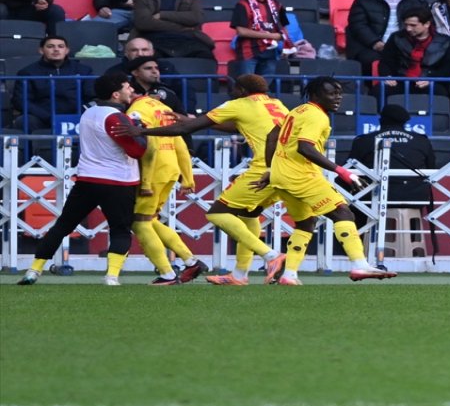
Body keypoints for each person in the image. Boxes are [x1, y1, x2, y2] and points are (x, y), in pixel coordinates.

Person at [111, 74, 288, 285]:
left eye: (233, 88)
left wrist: (141, 130)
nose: (229, 92)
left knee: (218, 213)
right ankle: (239, 275)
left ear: (241, 90)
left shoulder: (240, 103)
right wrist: (192, 121)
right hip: (287, 168)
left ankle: (271, 256)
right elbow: (237, 125)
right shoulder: (276, 104)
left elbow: (184, 130)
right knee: (249, 215)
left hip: (263, 168)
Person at [258, 77, 398, 284]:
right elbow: (304, 147)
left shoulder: (297, 111)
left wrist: (272, 169)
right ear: (315, 95)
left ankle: (289, 274)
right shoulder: (317, 116)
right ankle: (359, 265)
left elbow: (272, 136)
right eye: (331, 93)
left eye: (339, 93)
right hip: (300, 175)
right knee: (343, 212)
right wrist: (341, 171)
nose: (338, 97)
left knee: (306, 222)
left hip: (282, 175)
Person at [17, 73, 146, 286]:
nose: (131, 90)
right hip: (118, 181)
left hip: (87, 179)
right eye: (127, 87)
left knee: (63, 225)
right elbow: (137, 150)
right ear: (116, 94)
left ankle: (34, 270)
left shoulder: (88, 113)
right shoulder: (116, 118)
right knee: (120, 229)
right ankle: (112, 277)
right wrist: (141, 130)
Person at [124, 58, 207, 285]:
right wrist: (187, 177)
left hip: (155, 171)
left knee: (139, 223)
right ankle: (190, 262)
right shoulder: (162, 107)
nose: (127, 91)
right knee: (150, 220)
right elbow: (179, 142)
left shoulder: (137, 111)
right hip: (170, 168)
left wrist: (146, 183)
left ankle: (167, 273)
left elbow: (148, 146)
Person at [348, 103, 437, 213]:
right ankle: (412, 229)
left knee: (354, 201)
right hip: (415, 197)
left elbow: (350, 170)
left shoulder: (363, 140)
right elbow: (431, 168)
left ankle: (362, 229)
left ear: (381, 120)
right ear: (404, 121)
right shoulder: (421, 140)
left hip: (374, 197)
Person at [347, 0, 431, 75]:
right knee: (369, 61)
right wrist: (375, 42)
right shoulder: (364, 0)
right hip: (373, 46)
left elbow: (425, 22)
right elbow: (357, 24)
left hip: (408, 45)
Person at [130, 0, 217, 60]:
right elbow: (144, 23)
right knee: (148, 59)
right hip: (153, 38)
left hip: (186, 39)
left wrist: (163, 15)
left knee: (206, 56)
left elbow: (197, 18)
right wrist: (184, 27)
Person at [10, 36, 94, 132]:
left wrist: (78, 114)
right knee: (25, 121)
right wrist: (49, 117)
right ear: (41, 50)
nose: (56, 49)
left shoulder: (83, 70)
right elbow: (20, 101)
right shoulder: (27, 72)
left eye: (61, 46)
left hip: (77, 117)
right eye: (50, 46)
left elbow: (92, 97)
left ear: (67, 50)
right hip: (43, 118)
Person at [231, 0, 293, 76]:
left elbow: (283, 26)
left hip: (270, 52)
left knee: (264, 87)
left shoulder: (277, 4)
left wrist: (287, 45)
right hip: (248, 52)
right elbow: (241, 31)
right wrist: (271, 35)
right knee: (247, 87)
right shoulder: (242, 5)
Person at [378, 7, 450, 91]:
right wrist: (387, 76)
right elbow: (385, 61)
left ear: (427, 24)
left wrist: (431, 79)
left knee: (441, 93)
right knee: (379, 91)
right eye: (406, 25)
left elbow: (448, 67)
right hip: (400, 80)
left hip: (430, 81)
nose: (408, 29)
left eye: (413, 25)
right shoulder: (397, 37)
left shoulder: (445, 41)